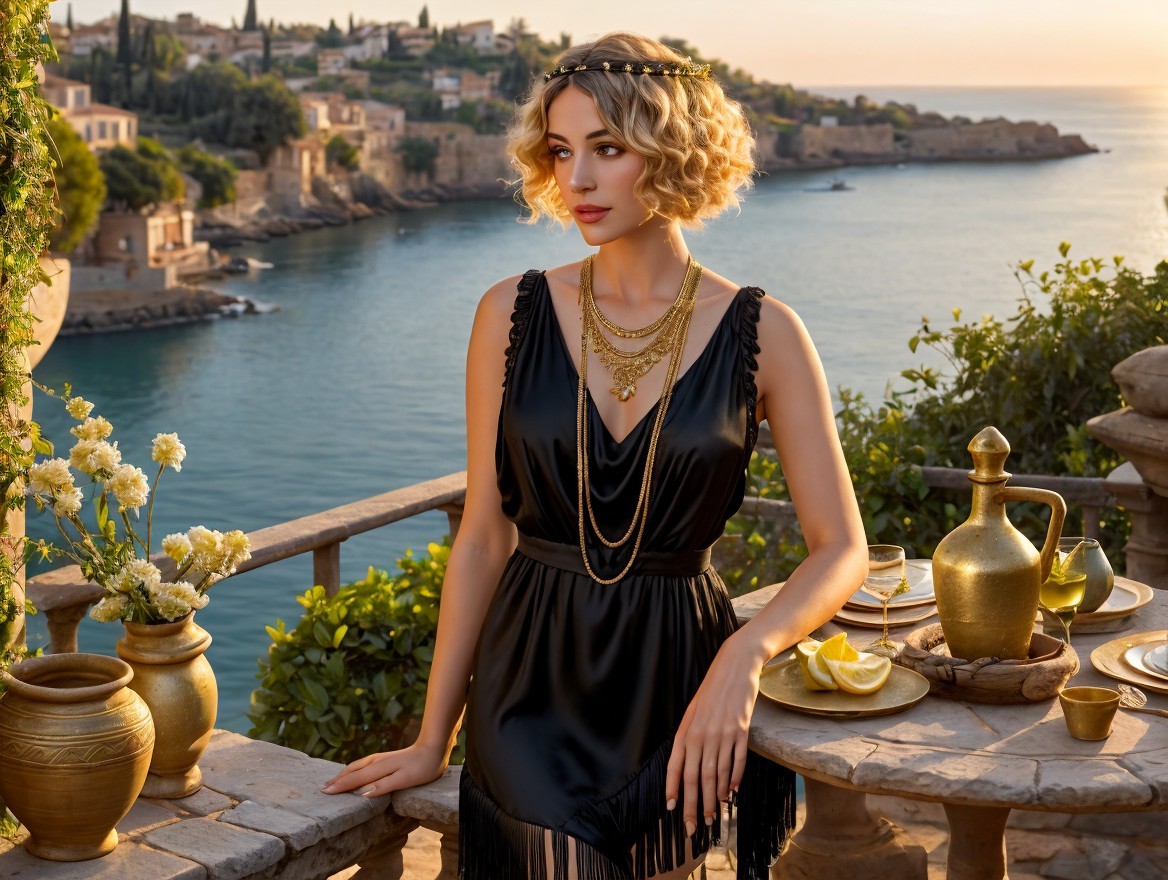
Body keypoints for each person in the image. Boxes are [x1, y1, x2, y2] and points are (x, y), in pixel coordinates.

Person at [323, 32, 867, 880]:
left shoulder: (767, 333)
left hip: (680, 680)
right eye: (561, 150)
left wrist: (744, 655)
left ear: (674, 152)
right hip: (530, 684)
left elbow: (842, 546)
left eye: (607, 149)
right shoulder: (510, 312)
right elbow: (482, 538)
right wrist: (436, 737)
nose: (576, 179)